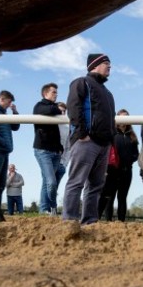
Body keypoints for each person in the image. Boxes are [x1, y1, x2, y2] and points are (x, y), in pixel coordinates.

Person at [63, 53, 116, 224]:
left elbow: (111, 117)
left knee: (96, 186)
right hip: (86, 141)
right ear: (95, 65)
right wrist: (81, 133)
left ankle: (90, 222)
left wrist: (110, 139)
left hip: (104, 144)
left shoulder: (108, 93)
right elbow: (73, 106)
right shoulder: (81, 82)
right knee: (76, 182)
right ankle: (69, 221)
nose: (109, 67)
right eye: (106, 63)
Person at [98, 109, 139, 222]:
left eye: (126, 116)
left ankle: (121, 222)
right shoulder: (112, 134)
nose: (124, 119)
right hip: (112, 170)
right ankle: (108, 221)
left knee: (122, 197)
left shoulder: (132, 136)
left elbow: (136, 153)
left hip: (127, 170)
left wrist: (130, 159)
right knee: (109, 197)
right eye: (122, 116)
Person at [33, 83, 65, 215]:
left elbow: (58, 111)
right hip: (43, 150)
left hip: (56, 152)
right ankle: (53, 207)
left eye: (56, 92)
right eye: (53, 92)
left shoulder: (54, 107)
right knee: (51, 182)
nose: (56, 94)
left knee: (47, 181)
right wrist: (57, 109)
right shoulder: (39, 106)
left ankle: (44, 210)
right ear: (45, 94)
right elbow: (53, 110)